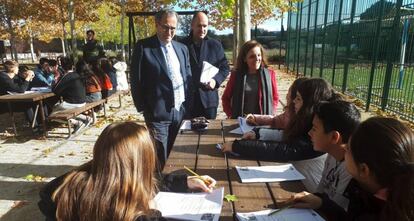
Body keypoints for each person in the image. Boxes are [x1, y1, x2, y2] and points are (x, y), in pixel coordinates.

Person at [38, 122, 216, 221]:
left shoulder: (69, 186)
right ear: (144, 161)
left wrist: (183, 182)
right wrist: (153, 213)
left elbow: (138, 179)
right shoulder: (131, 213)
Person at [222, 78, 339, 191]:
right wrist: (258, 133)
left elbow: (284, 150)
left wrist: (239, 146)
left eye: (298, 98)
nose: (293, 101)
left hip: (310, 190)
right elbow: (287, 135)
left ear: (309, 103)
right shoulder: (307, 122)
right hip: (299, 181)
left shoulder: (318, 130)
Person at [292, 117, 414, 221]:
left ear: (363, 170)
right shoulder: (371, 191)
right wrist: (322, 203)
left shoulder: (382, 213)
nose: (344, 147)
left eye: (349, 149)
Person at [130, 9, 192, 168]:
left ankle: (176, 183)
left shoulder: (182, 48)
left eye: (173, 28)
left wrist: (187, 104)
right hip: (157, 113)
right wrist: (143, 108)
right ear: (156, 25)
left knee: (178, 151)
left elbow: (187, 75)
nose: (169, 32)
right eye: (165, 27)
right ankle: (160, 188)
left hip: (180, 110)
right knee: (159, 156)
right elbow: (135, 80)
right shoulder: (144, 47)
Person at [290, 100, 360, 219]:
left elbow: (337, 210)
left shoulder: (351, 171)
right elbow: (320, 192)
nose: (309, 133)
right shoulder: (332, 155)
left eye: (315, 129)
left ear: (334, 137)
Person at [180, 11, 230, 119]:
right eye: (199, 26)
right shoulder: (181, 45)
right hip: (187, 101)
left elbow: (225, 68)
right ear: (192, 25)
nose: (202, 29)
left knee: (209, 135)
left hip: (209, 101)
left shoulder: (215, 45)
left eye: (205, 26)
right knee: (187, 135)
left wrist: (215, 81)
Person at [221, 40, 278, 119]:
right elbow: (225, 98)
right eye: (252, 56)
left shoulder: (270, 74)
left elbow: (275, 97)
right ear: (245, 59)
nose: (257, 59)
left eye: (259, 55)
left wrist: (272, 112)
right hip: (241, 122)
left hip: (263, 121)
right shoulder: (236, 76)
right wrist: (231, 115)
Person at [51, 57, 91, 132]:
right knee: (64, 110)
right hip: (82, 102)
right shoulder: (77, 74)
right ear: (73, 66)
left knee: (52, 115)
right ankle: (86, 118)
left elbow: (55, 90)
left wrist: (55, 79)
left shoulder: (66, 76)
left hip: (73, 103)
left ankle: (77, 123)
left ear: (62, 67)